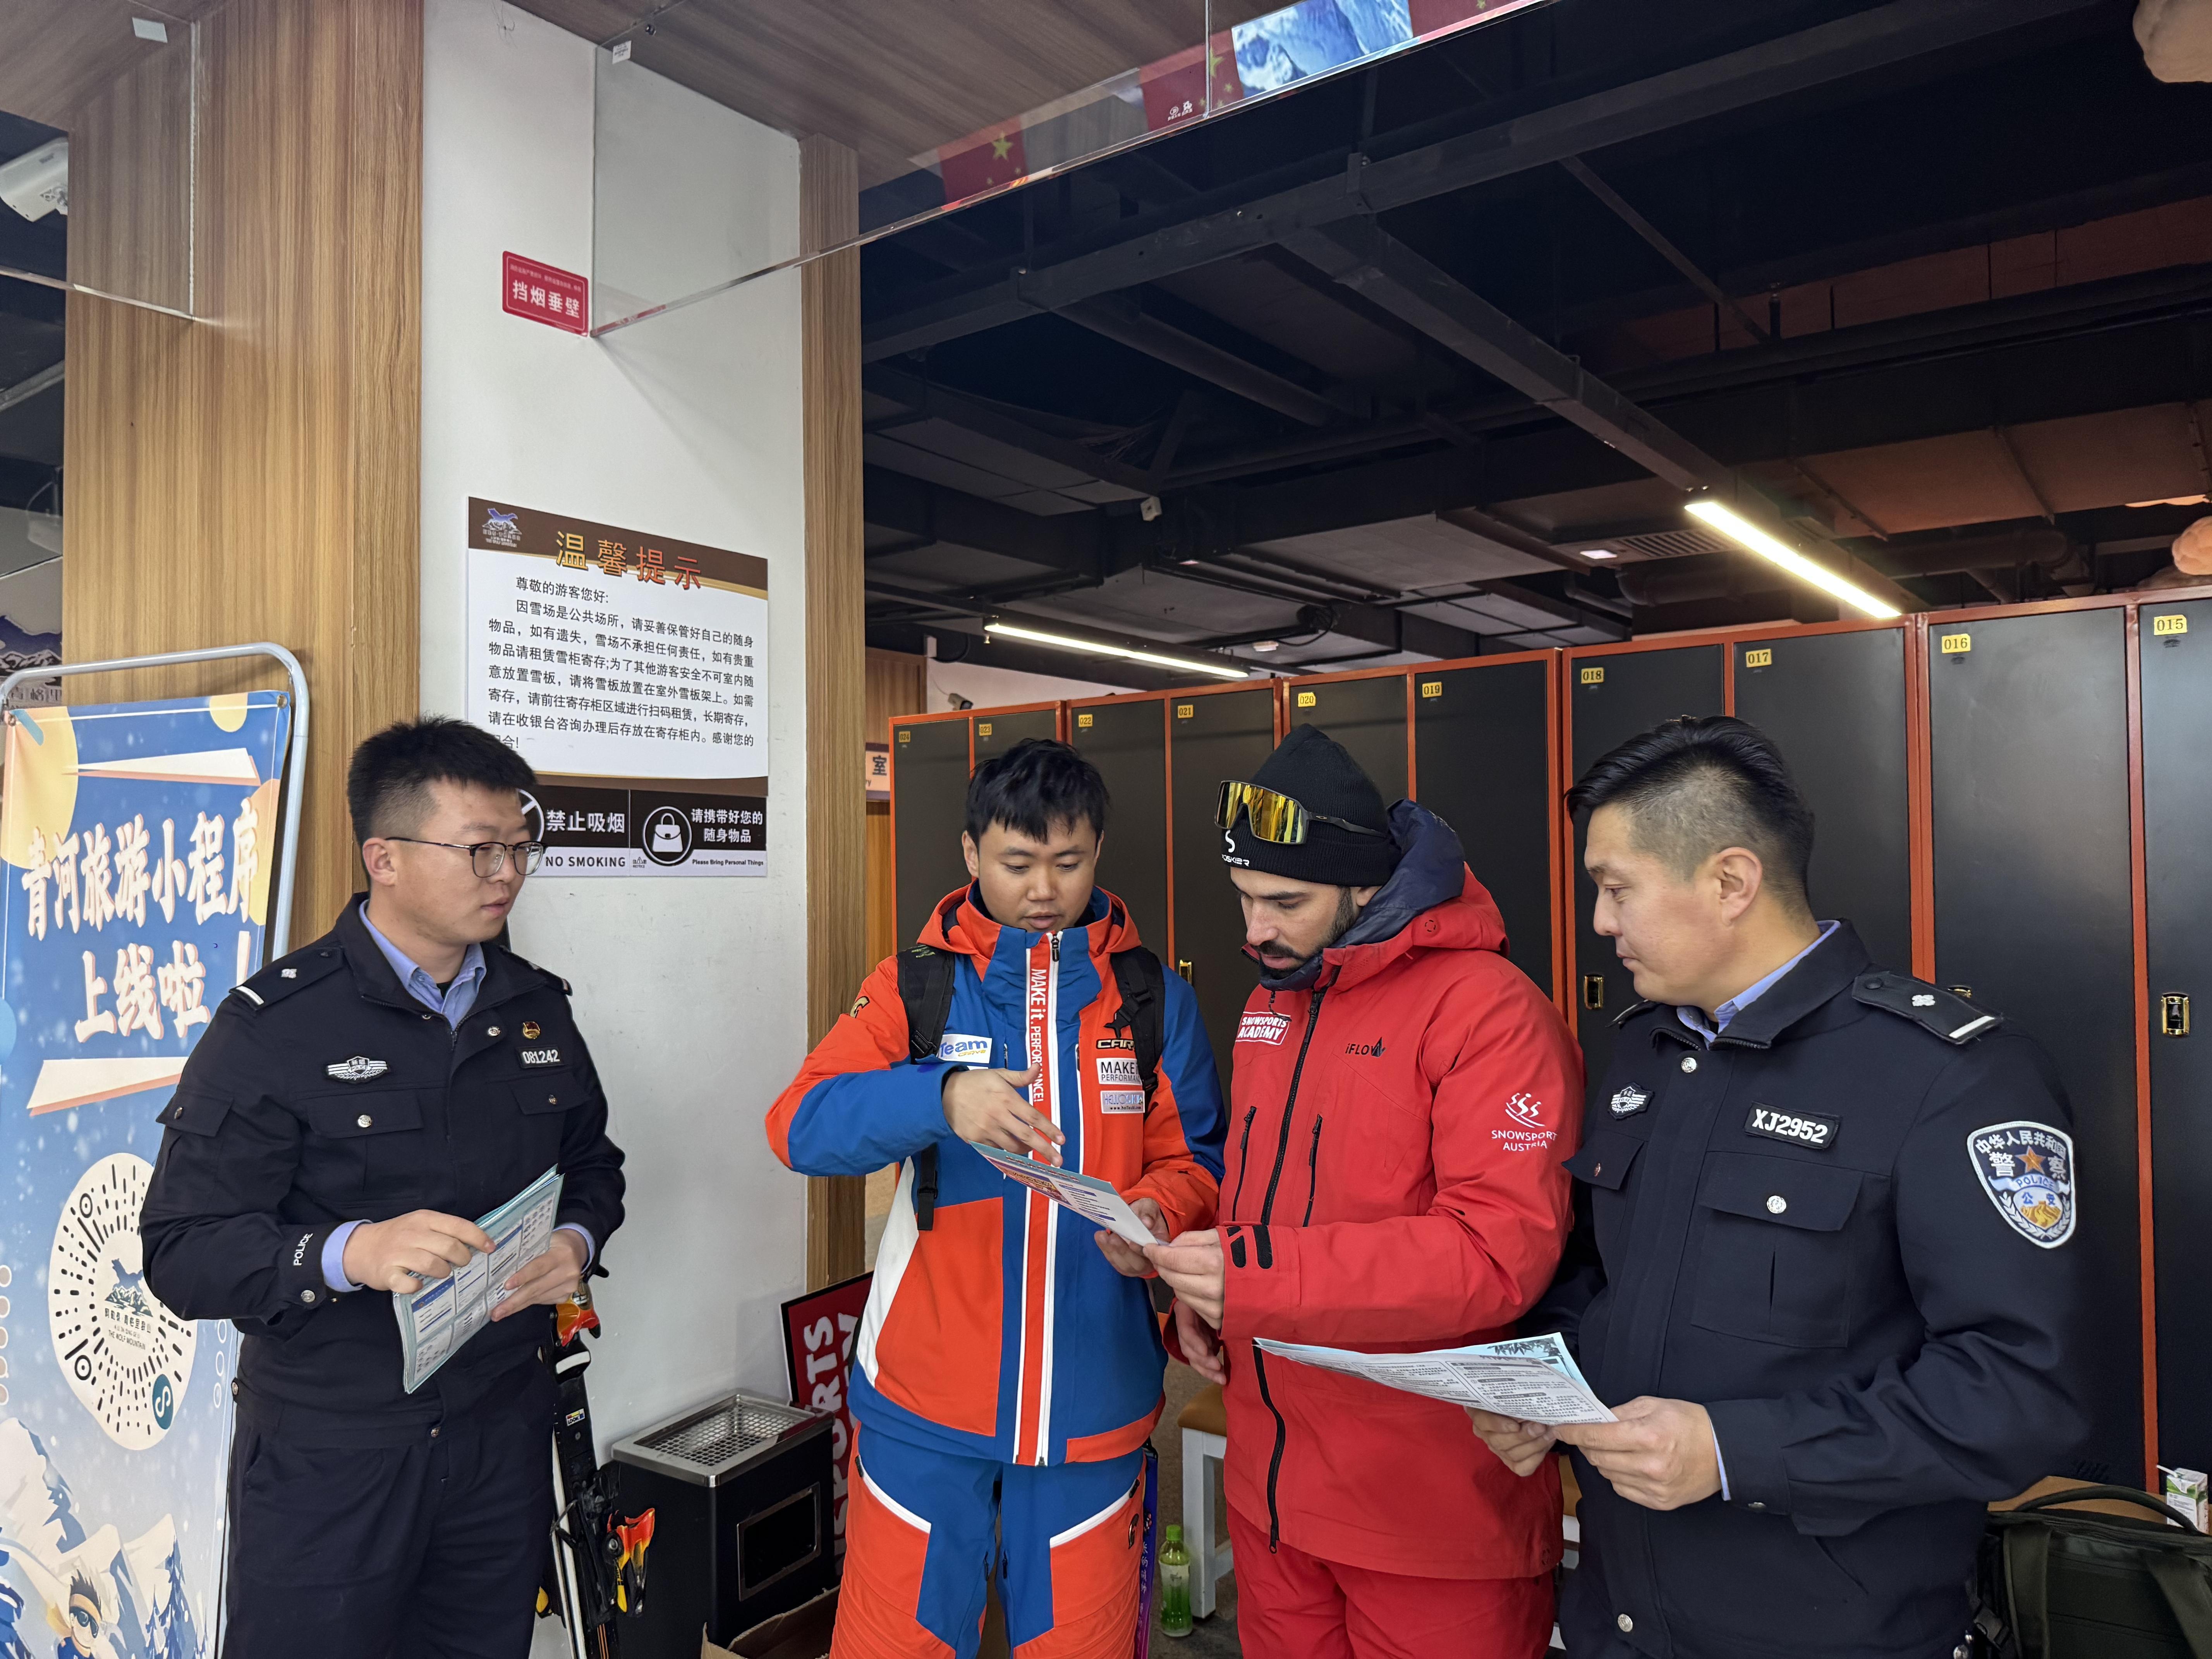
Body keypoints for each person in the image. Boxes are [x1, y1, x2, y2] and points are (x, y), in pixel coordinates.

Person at [1468, 715, 2085, 1659]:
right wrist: (1539, 1391)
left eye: (1616, 888)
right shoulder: (1649, 1051)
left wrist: (1734, 1454)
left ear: (1731, 882)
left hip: (1827, 1629)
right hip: (1619, 1621)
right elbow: (1600, 1279)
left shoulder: (1947, 1078)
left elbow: (2016, 1393)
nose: (1600, 923)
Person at [139, 718, 626, 1659]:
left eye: (519, 849)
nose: (507, 875)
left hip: (500, 1430)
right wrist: (350, 1252)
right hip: (336, 1450)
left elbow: (592, 1166)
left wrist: (575, 1242)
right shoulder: (275, 1027)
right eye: (480, 850)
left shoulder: (534, 1008)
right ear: (385, 858)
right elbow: (181, 1250)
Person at [767, 738, 1225, 1659]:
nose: (1045, 889)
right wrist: (937, 1098)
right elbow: (800, 1126)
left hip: (1095, 1397)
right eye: (1018, 863)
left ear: (1099, 851)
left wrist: (1157, 1215)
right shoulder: (917, 988)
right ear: (972, 853)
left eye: (1070, 861)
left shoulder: (1150, 999)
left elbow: (1197, 1161)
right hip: (926, 1396)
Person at [1146, 724, 1585, 1659]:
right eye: (1244, 898)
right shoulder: (1273, 1000)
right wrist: (1208, 1299)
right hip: (1273, 1497)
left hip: (1428, 1514)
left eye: (1285, 902)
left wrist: (1253, 1277)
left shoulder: (1491, 1010)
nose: (1253, 931)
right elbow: (1258, 1202)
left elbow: (1494, 1254)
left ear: (1364, 888)